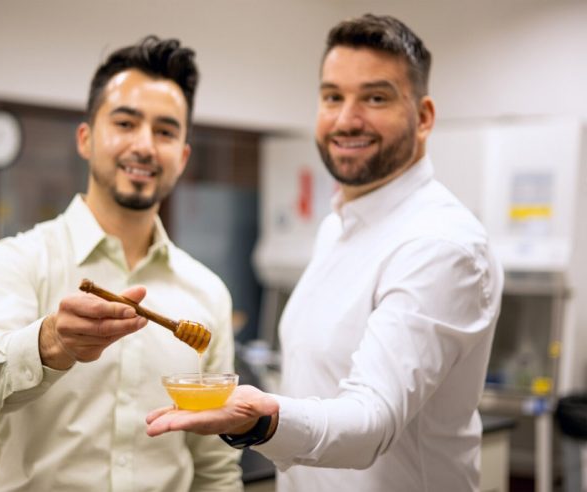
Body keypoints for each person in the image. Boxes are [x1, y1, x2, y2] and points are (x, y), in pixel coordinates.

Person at [146, 14, 504, 492]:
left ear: (423, 117)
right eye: (333, 97)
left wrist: (263, 420)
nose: (346, 119)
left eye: (375, 98)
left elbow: (371, 421)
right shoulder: (337, 226)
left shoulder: (440, 243)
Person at [0, 36, 242, 491]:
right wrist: (50, 342)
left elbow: (214, 465)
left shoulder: (207, 292)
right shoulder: (15, 260)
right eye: (125, 123)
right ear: (86, 139)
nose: (144, 145)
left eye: (165, 132)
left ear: (182, 157)